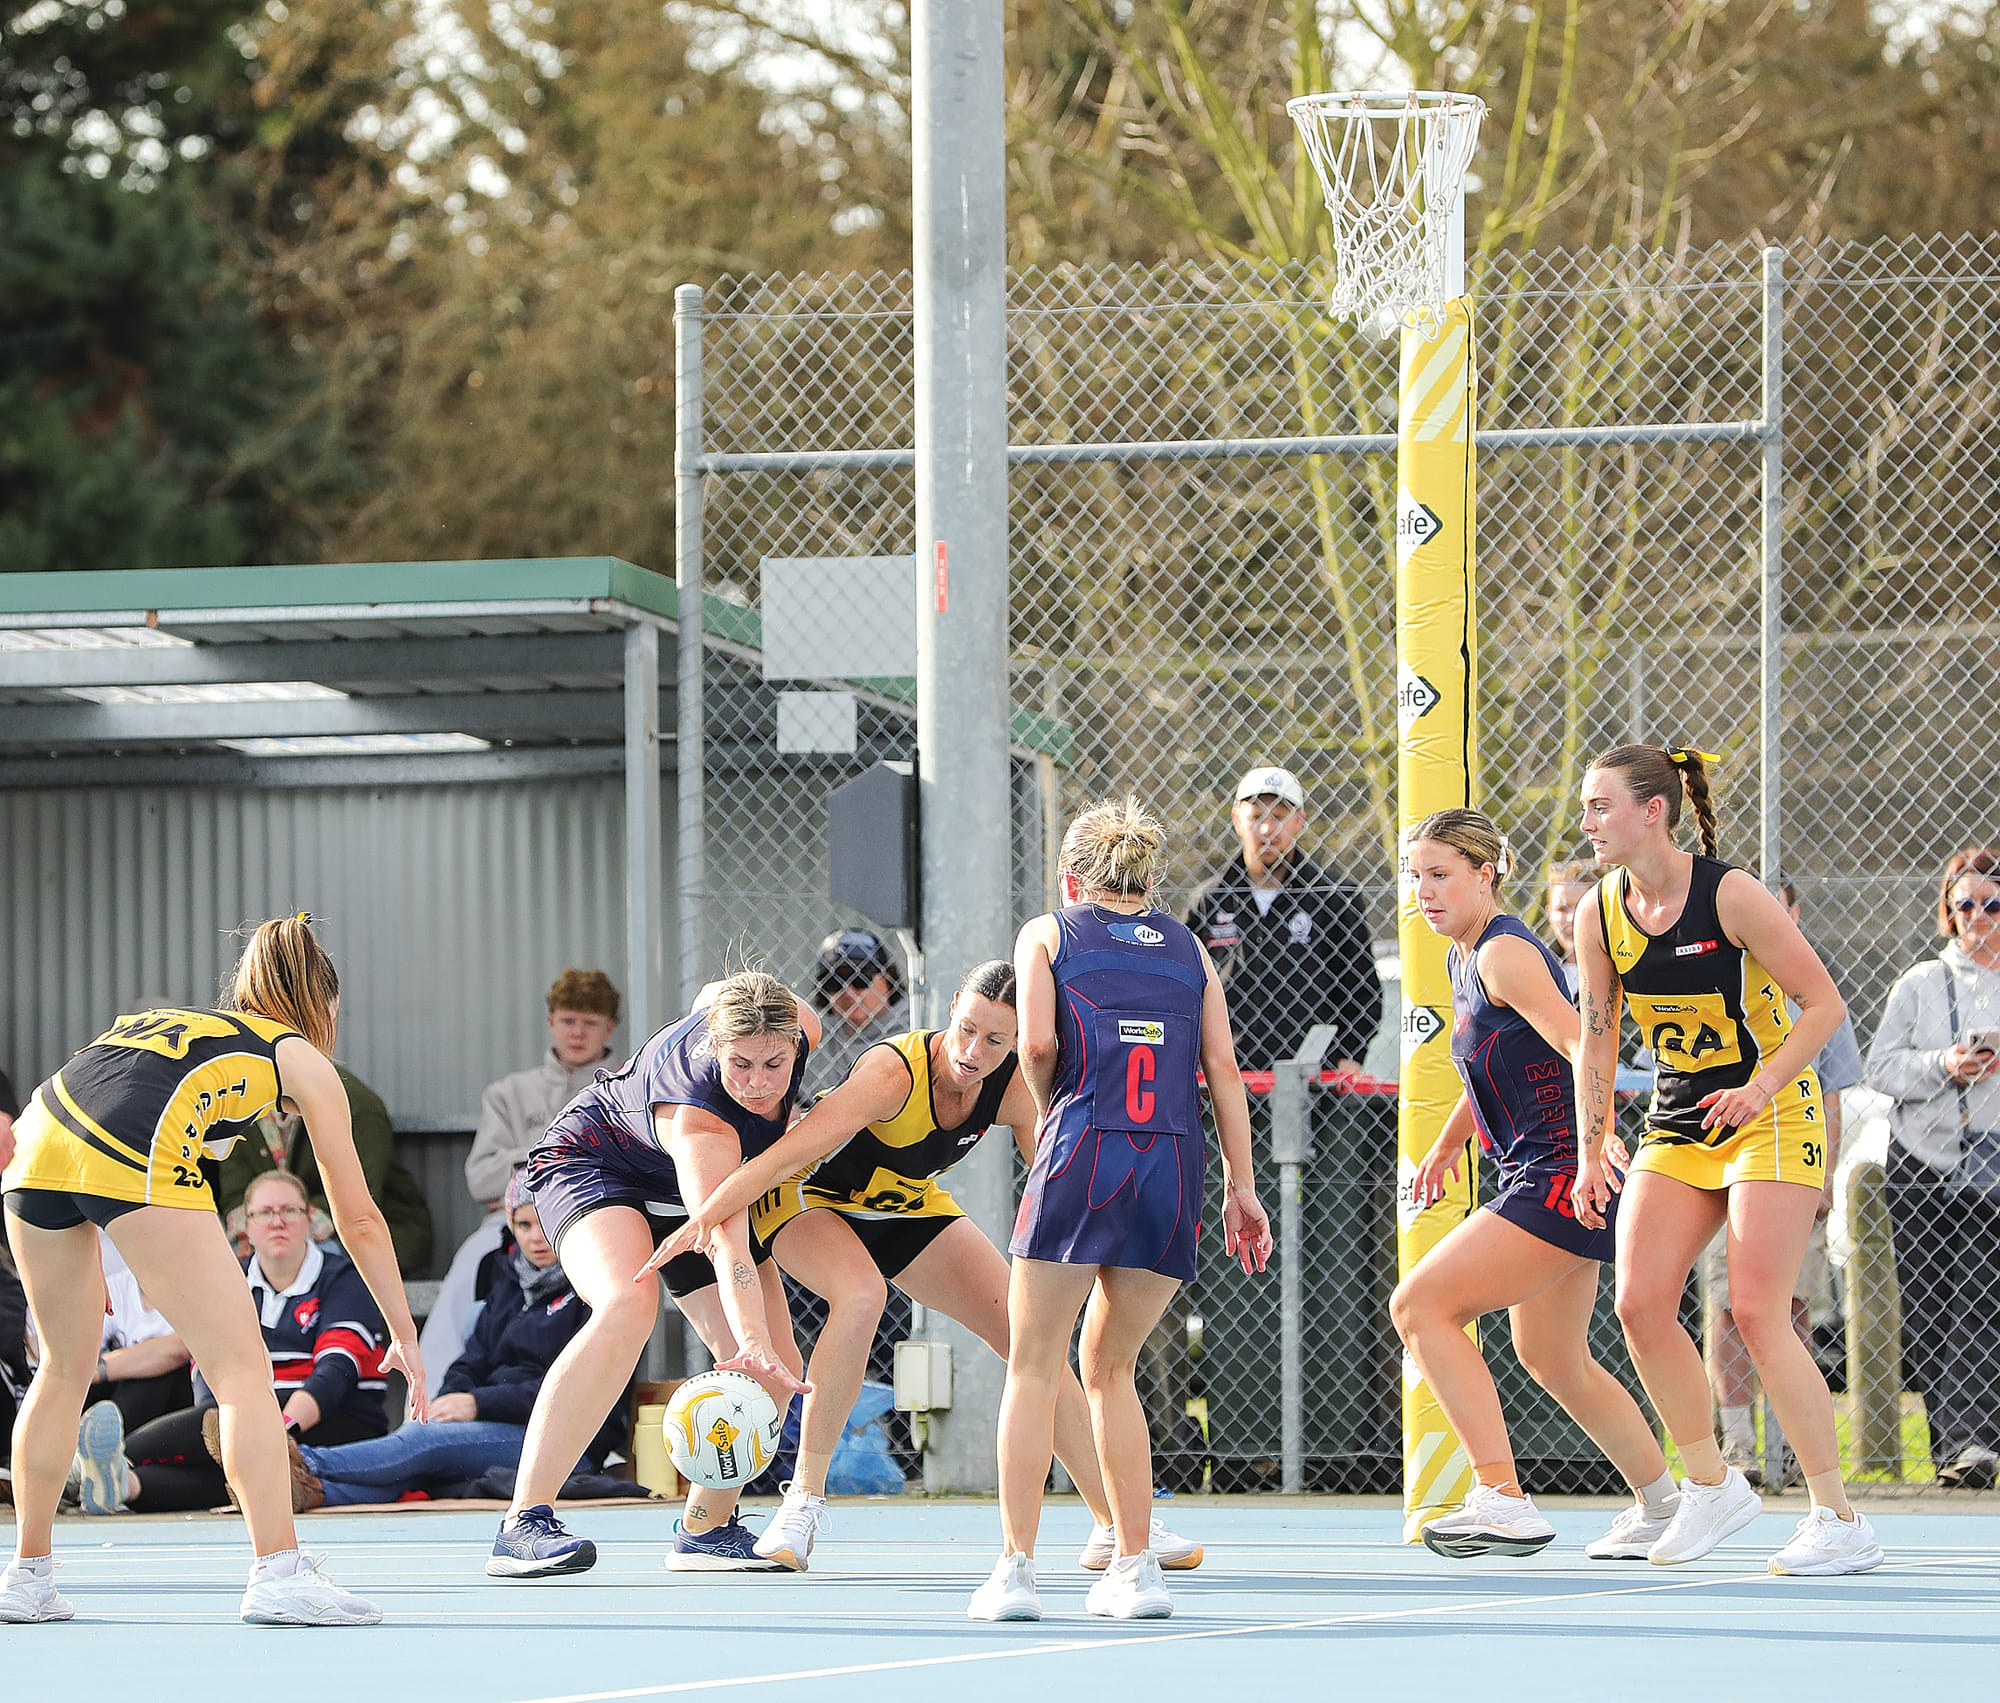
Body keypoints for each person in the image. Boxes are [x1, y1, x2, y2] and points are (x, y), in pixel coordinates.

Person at [652, 959, 1202, 1574]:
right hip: (809, 1201)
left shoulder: (1017, 1090)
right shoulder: (891, 1073)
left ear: (1020, 1040)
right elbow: (788, 1156)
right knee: (861, 1297)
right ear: (950, 1012)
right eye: (967, 1029)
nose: (973, 1050)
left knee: (1032, 1341)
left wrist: (1116, 1239)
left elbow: (1059, 1189)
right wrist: (707, 1215)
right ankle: (801, 1505)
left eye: (996, 1039)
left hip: (905, 1207)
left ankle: (1115, 1524)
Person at [0, 916, 424, 1625]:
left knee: (62, 1367)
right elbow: (358, 1219)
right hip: (125, 1148)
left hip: (38, 1142)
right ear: (322, 1004)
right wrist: (404, 1331)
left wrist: (99, 1238)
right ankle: (279, 1571)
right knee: (240, 1369)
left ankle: (26, 1575)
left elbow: (100, 1098)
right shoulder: (297, 1055)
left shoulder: (175, 1023)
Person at [1571, 746, 1881, 1576]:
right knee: (1638, 1302)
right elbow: (1597, 1037)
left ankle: (1837, 1515)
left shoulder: (1730, 894)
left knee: (1754, 1308)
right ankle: (1712, 1484)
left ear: (1653, 812)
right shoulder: (1599, 912)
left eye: (1601, 806)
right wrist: (1593, 1137)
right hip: (1682, 1114)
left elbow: (1824, 1005)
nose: (1588, 821)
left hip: (1773, 1106)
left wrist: (1763, 1083)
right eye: (1586, 807)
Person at [972, 799, 1271, 1624]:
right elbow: (1223, 1069)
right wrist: (1242, 1186)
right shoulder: (1188, 946)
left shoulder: (1048, 931)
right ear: (1148, 877)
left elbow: (1035, 1046)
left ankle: (1015, 1570)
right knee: (1115, 1371)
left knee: (1036, 1364)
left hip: (1082, 1150)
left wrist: (1053, 1110)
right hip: (1170, 1163)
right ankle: (1137, 1567)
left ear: (1072, 876)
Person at [1392, 810, 1678, 1563]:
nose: (1424, 889)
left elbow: (1583, 1041)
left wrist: (1593, 1148)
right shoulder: (1466, 954)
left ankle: (1502, 1495)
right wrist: (1450, 1142)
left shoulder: (1501, 952)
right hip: (1546, 1169)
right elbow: (1490, 1052)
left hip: (1560, 1173)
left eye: (1441, 874)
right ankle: (1665, 1500)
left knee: (1419, 1305)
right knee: (1552, 1355)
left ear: (1486, 874)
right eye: (1415, 875)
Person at [486, 971, 814, 1578]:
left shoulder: (796, 1021)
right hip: (594, 1162)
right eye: (740, 1063)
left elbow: (713, 996)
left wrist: (758, 1347)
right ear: (716, 1047)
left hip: (680, 1190)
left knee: (775, 1369)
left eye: (774, 1064)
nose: (759, 1084)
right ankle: (522, 1522)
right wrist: (751, 1339)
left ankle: (706, 1530)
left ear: (796, 1042)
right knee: (627, 1305)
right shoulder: (701, 1123)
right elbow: (728, 1247)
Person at [68, 1168, 389, 1517]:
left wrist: (277, 1427)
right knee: (237, 1471)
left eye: (289, 1211)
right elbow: (207, 1358)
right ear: (246, 1225)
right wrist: (219, 1432)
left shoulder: (343, 1277)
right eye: (264, 1213)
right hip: (254, 1410)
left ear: (310, 1219)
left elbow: (337, 1369)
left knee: (240, 1439)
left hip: (332, 1415)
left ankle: (89, 1468)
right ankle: (125, 1486)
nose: (277, 1222)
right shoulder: (231, 1276)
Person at [289, 1176, 623, 1507]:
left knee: (425, 1441)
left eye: (547, 1222)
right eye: (524, 1225)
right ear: (511, 1227)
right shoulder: (507, 1280)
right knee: (422, 1466)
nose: (537, 1238)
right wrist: (451, 1401)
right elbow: (471, 1359)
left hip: (565, 1444)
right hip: (493, 1427)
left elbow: (573, 1387)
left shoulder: (595, 1286)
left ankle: (301, 1460)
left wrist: (476, 1404)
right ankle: (311, 1493)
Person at [1705, 878, 1865, 1486]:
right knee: (1729, 1307)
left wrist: (1821, 1179)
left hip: (1792, 1166)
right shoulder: (1714, 983)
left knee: (1789, 1310)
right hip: (1726, 1167)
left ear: (1791, 915)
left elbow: (1830, 1101)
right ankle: (1740, 1446)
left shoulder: (1813, 996)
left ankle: (1796, 1448)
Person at [1864, 845, 2000, 1488]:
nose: (1979, 916)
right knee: (1926, 1306)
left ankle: (1973, 1443)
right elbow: (1881, 1068)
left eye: (1992, 904)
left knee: (1979, 1297)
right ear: (1948, 909)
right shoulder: (1919, 983)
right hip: (1920, 1159)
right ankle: (1953, 1444)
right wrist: (1944, 1064)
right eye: (1966, 903)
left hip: (1992, 1165)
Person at [424, 969, 623, 1394]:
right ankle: (429, 1406)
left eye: (591, 1022)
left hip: (597, 1225)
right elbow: (481, 1179)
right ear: (551, 1021)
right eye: (569, 1020)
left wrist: (519, 1168)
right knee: (468, 1270)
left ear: (610, 1027)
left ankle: (591, 1417)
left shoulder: (623, 1090)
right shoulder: (510, 1093)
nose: (578, 1032)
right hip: (514, 1227)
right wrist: (551, 1147)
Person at [1183, 765, 1380, 1073]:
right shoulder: (1209, 901)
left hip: (1314, 1078)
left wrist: (1350, 1056)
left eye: (1278, 816)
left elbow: (1363, 988)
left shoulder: (1333, 896)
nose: (1267, 829)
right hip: (1224, 1075)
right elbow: (1183, 988)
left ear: (1299, 821)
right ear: (1237, 820)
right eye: (1257, 816)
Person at [214, 1063, 433, 1274]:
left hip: (359, 1235)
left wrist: (280, 1224)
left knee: (312, 1265)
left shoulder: (356, 1104)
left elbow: (359, 1200)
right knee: (226, 1270)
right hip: (271, 1234)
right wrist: (249, 1231)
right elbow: (234, 1195)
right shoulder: (241, 1100)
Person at [801, 929, 909, 1102]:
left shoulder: (915, 1027)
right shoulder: (814, 1039)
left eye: (860, 978)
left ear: (888, 979)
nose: (848, 992)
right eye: (834, 982)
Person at [1543, 857, 1597, 995]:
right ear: (1549, 913)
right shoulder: (1536, 966)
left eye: (1582, 907)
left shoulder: (1626, 971)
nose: (1572, 918)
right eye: (1562, 909)